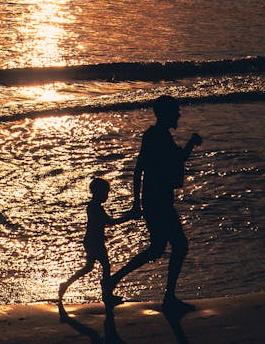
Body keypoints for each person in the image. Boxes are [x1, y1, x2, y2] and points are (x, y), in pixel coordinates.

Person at [110, 95, 202, 314]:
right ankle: (168, 297)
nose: (179, 115)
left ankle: (114, 280)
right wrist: (135, 202)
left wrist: (136, 201)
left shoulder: (159, 135)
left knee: (158, 248)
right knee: (178, 245)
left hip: (157, 199)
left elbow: (172, 160)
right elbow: (141, 168)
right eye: (175, 111)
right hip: (157, 200)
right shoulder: (155, 136)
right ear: (167, 114)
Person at [59, 177, 127, 311]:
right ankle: (107, 295)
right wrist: (129, 216)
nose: (107, 196)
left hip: (93, 241)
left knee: (90, 267)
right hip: (94, 242)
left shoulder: (93, 206)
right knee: (105, 267)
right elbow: (111, 222)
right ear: (98, 193)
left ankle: (66, 285)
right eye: (105, 193)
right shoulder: (95, 208)